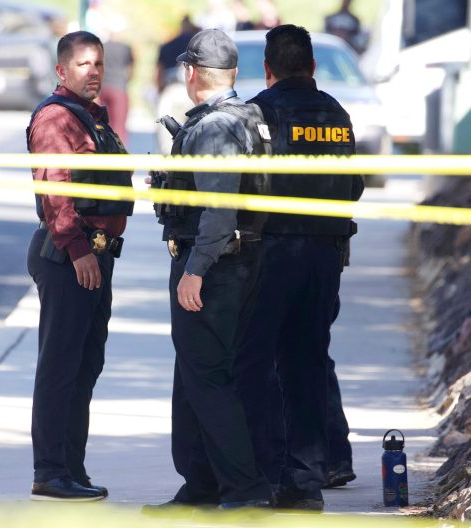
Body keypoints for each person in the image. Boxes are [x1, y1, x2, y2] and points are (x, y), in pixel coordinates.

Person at [234, 24, 364, 511]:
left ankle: (266, 474)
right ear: (312, 66)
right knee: (308, 363)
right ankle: (306, 482)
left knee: (256, 362)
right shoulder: (337, 113)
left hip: (271, 255)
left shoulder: (259, 113)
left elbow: (246, 190)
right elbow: (352, 189)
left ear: (267, 69)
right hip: (325, 258)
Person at [145, 28, 273, 511]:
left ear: (191, 73)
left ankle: (244, 491)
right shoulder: (249, 117)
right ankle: (200, 484)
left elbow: (219, 208)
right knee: (197, 375)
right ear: (234, 74)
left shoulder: (217, 127)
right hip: (242, 260)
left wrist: (195, 269)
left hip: (214, 266)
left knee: (210, 378)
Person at [26, 30, 133, 502]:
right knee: (60, 367)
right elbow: (55, 191)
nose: (94, 72)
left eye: (99, 64)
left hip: (96, 253)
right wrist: (78, 250)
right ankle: (50, 471)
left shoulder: (93, 119)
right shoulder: (56, 118)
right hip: (70, 256)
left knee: (85, 366)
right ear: (62, 70)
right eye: (85, 64)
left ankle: (71, 467)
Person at [99, 15, 134, 146]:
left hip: (102, 88)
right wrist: (126, 81)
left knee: (101, 124)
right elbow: (131, 70)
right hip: (119, 88)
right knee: (119, 126)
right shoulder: (126, 48)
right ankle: (118, 155)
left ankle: (102, 150)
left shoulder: (102, 47)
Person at [155, 15, 199, 94]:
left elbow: (159, 68)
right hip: (184, 81)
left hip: (172, 82)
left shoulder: (168, 45)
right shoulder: (196, 44)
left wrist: (159, 87)